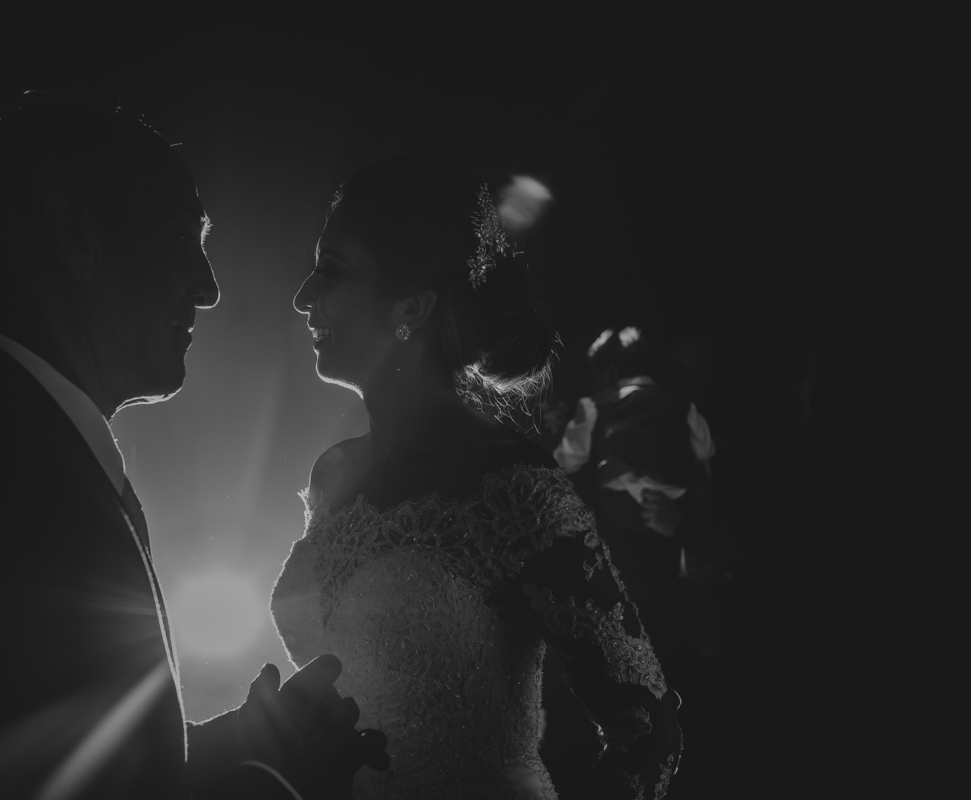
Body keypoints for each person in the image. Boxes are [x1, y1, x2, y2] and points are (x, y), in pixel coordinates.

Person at [0, 101, 384, 799]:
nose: (208, 287)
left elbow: (77, 761)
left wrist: (250, 739)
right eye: (181, 236)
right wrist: (281, 780)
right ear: (76, 236)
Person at [271, 156, 682, 799]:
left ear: (413, 306)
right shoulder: (334, 474)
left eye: (332, 269)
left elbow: (649, 732)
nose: (303, 296)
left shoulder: (514, 489)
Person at [552, 326, 716, 664]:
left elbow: (564, 463)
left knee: (631, 622)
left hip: (623, 530)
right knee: (691, 621)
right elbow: (706, 459)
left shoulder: (592, 407)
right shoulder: (683, 406)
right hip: (676, 528)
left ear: (609, 372)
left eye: (595, 374)